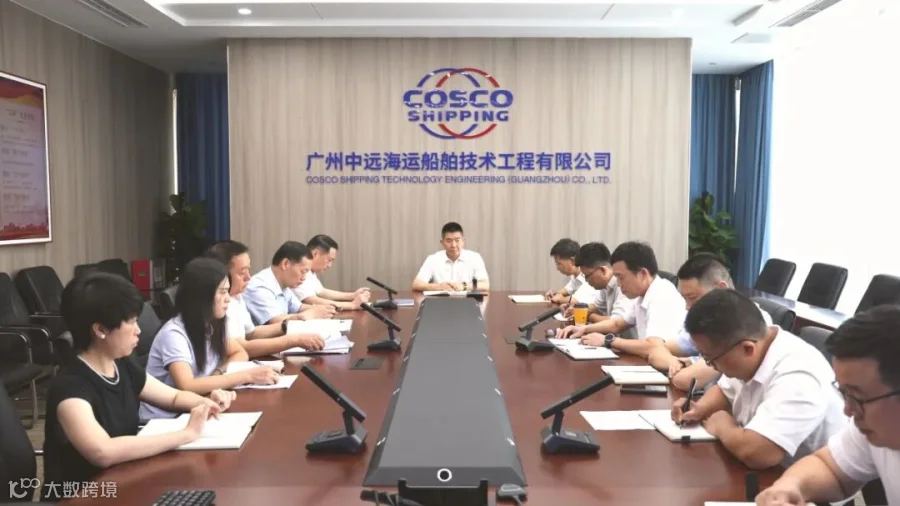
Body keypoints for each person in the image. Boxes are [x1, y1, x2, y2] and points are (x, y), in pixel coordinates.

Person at [41, 273, 233, 501]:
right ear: (100, 330)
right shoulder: (70, 388)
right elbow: (103, 451)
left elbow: (172, 398)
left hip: (124, 480)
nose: (138, 330)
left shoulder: (121, 364)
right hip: (83, 496)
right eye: (131, 322)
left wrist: (207, 402)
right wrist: (185, 434)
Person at [672, 289, 847, 470]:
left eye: (710, 359)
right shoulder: (753, 348)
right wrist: (699, 409)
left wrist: (722, 424)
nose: (712, 366)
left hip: (805, 479)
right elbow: (725, 391)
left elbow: (759, 453)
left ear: (747, 348)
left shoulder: (799, 374)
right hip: (771, 472)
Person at [756, 306, 900, 506]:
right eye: (845, 394)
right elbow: (831, 468)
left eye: (858, 397)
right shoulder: (876, 426)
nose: (847, 411)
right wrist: (790, 487)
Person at [140, 258, 280, 419]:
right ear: (201, 296)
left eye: (227, 291)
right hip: (167, 419)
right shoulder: (174, 334)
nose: (228, 298)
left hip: (200, 405)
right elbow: (187, 385)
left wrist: (217, 374)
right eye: (222, 292)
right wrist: (247, 376)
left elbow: (239, 352)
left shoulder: (211, 324)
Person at [646, 253, 772, 390]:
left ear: (721, 288)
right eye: (685, 298)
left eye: (693, 298)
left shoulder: (748, 323)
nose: (687, 307)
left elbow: (687, 381)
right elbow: (655, 351)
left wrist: (687, 366)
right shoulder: (708, 322)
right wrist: (677, 363)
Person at [559, 241, 685, 359]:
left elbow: (654, 347)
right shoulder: (641, 296)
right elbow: (617, 324)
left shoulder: (662, 294)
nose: (618, 284)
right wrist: (583, 329)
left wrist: (608, 341)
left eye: (621, 277)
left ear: (643, 274)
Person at [204, 240, 326, 356]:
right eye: (242, 272)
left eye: (248, 270)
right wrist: (294, 340)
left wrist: (287, 324)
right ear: (221, 274)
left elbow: (251, 333)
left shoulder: (237, 296)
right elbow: (242, 348)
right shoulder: (219, 302)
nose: (248, 277)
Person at [244, 241, 336, 325]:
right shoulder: (259, 287)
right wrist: (312, 313)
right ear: (285, 264)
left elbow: (298, 308)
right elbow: (276, 321)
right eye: (303, 271)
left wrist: (324, 310)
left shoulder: (284, 284)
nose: (304, 278)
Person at [555, 242, 635, 340]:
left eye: (587, 276)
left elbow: (615, 323)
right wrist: (578, 309)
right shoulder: (605, 285)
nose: (586, 281)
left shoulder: (623, 286)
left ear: (603, 270)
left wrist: (586, 315)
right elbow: (596, 307)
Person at [292, 234, 371, 311]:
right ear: (315, 254)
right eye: (329, 260)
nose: (329, 265)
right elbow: (311, 300)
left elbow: (321, 291)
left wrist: (352, 295)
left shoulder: (310, 271)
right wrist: (352, 305)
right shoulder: (299, 269)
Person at [412, 222, 490, 292]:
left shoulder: (474, 258)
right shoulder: (433, 259)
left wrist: (464, 286)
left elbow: (485, 285)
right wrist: (439, 287)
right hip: (440, 301)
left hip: (467, 301)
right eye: (449, 241)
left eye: (457, 240)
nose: (453, 245)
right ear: (442, 242)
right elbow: (416, 284)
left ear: (463, 241)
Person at [543, 238, 596, 306]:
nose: (557, 268)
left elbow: (576, 301)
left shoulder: (588, 275)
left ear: (572, 260)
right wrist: (554, 293)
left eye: (559, 263)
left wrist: (561, 299)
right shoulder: (576, 275)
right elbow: (567, 290)